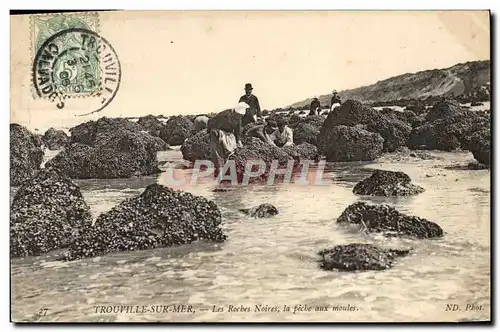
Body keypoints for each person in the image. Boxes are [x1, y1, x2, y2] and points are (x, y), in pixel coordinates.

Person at [207, 102, 248, 174]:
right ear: (235, 112)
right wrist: (212, 131)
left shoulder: (239, 118)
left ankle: (227, 167)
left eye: (241, 116)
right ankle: (219, 169)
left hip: (228, 133)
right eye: (238, 116)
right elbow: (210, 121)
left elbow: (238, 131)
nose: (239, 118)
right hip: (216, 132)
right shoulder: (224, 114)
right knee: (218, 152)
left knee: (231, 149)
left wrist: (239, 141)